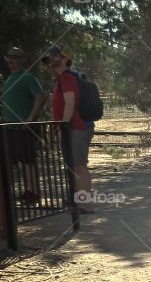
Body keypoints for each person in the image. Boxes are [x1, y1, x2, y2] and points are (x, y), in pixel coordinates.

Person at [42, 44, 94, 209]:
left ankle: (85, 205)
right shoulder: (59, 79)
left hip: (76, 128)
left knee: (79, 166)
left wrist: (61, 128)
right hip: (70, 127)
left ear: (65, 59)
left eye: (55, 56)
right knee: (73, 166)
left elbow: (69, 105)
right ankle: (75, 200)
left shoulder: (67, 78)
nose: (50, 59)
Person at [1, 45, 47, 203]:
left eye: (14, 58)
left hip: (25, 127)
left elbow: (40, 96)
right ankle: (28, 191)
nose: (11, 61)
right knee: (20, 161)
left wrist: (30, 117)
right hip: (10, 127)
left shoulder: (27, 77)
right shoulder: (9, 78)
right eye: (9, 58)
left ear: (21, 60)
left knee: (29, 161)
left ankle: (34, 192)